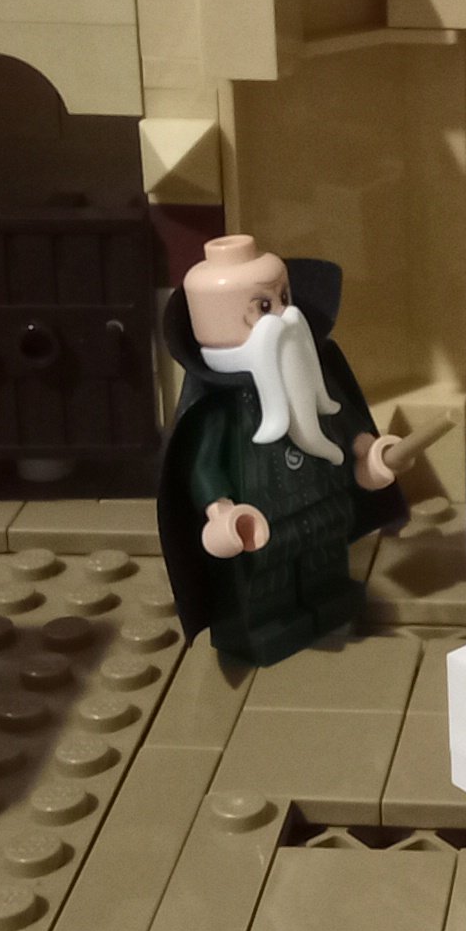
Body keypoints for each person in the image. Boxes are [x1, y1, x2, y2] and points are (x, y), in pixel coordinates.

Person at [155, 235, 407, 666]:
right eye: (263, 306)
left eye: (284, 298)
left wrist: (368, 450)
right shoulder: (221, 410)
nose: (286, 316)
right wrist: (220, 510)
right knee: (262, 578)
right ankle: (263, 624)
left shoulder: (312, 378)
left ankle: (328, 597)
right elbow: (203, 466)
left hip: (324, 502)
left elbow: (343, 420)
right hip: (262, 521)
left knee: (325, 559)